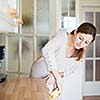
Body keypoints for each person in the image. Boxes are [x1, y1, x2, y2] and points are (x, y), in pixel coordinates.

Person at [30, 22, 96, 99]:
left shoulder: (80, 52)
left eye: (86, 42)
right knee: (34, 96)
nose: (81, 43)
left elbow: (70, 70)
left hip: (53, 79)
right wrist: (56, 75)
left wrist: (56, 76)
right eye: (80, 38)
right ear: (75, 31)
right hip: (39, 72)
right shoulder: (62, 36)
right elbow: (47, 50)